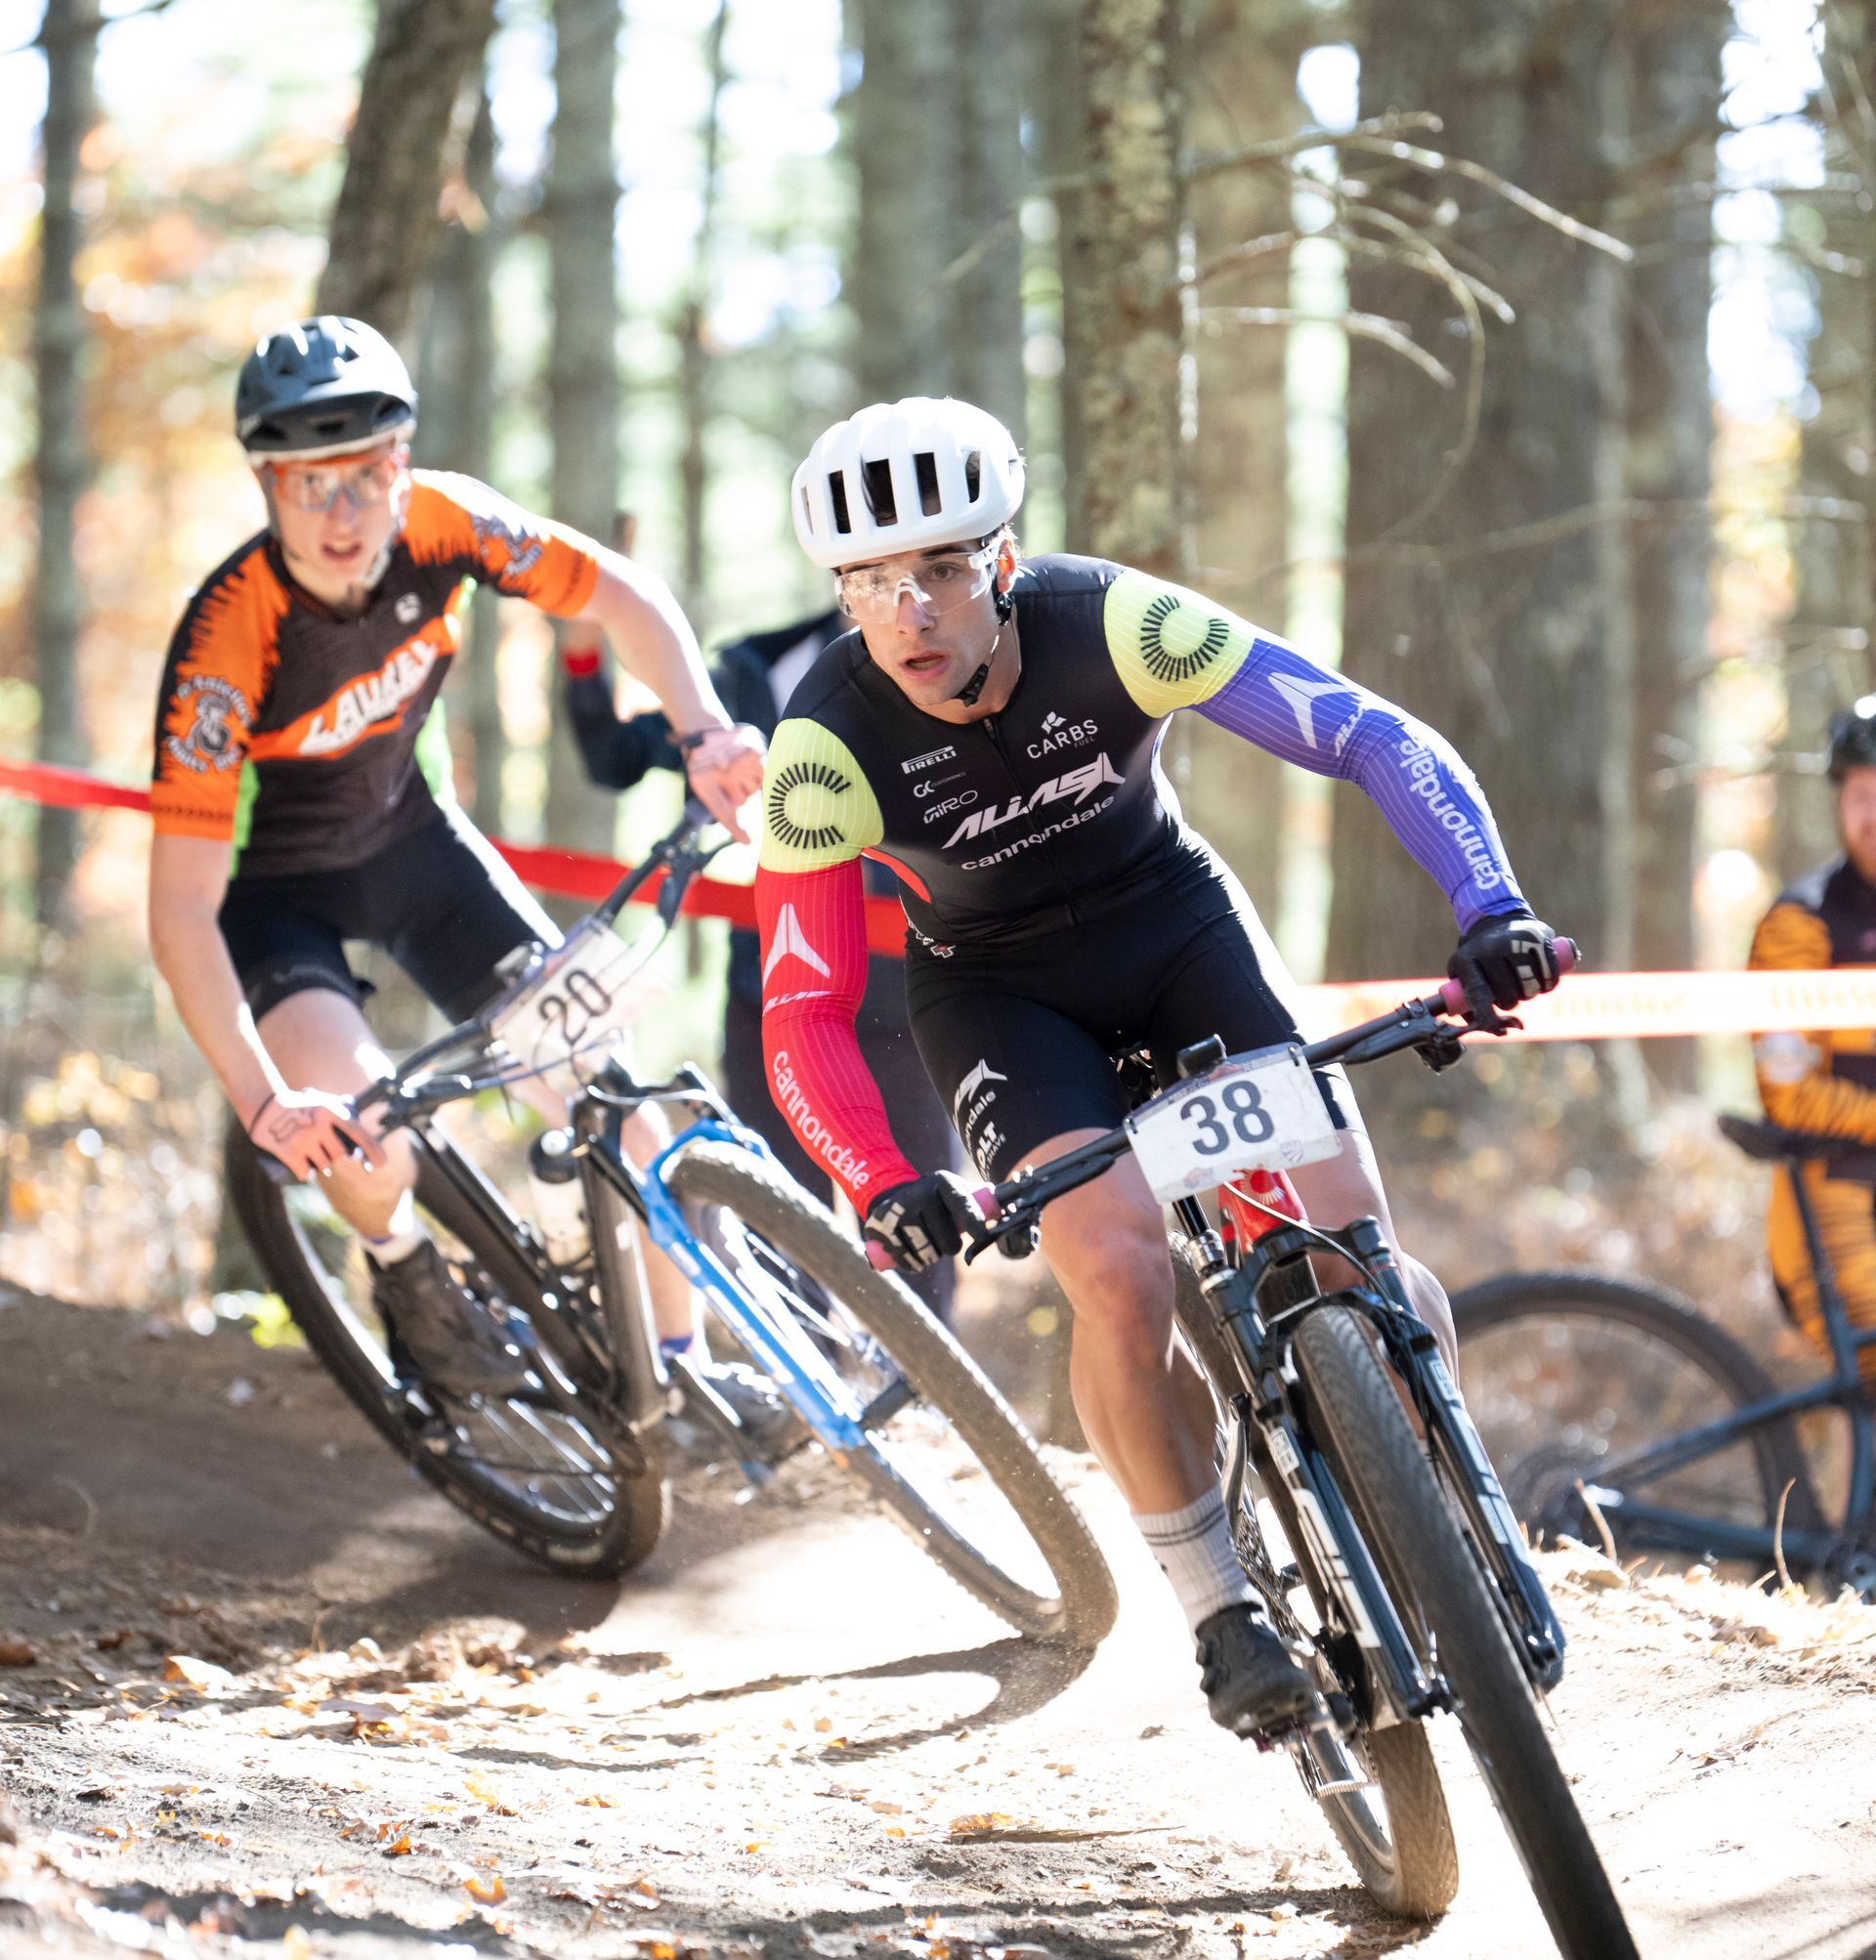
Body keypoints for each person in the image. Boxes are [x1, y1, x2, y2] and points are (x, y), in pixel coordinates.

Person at [750, 396, 1559, 1738]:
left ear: (1003, 562)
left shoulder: (1114, 622)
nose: (912, 614)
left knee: (1351, 1232)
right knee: (1119, 1270)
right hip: (999, 994)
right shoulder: (823, 747)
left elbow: (1364, 732)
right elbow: (804, 1009)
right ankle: (1218, 1613)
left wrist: (1491, 905)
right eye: (872, 586)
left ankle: (1440, 1500)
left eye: (942, 570)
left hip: (1173, 923)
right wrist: (883, 1175)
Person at [147, 316, 763, 1397]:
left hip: (417, 848)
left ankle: (689, 1371)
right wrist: (261, 1099)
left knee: (619, 1103)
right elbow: (181, 910)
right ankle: (403, 1267)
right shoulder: (226, 641)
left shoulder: (446, 519)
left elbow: (618, 592)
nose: (343, 513)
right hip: (270, 898)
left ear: (404, 462)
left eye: (369, 472)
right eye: (306, 483)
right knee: (366, 1142)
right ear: (264, 485)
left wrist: (704, 728)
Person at [562, 593, 963, 1314]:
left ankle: (935, 1405)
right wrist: (585, 648)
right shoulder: (758, 670)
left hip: (915, 988)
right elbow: (615, 758)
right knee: (781, 1210)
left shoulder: (969, 659)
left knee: (923, 1212)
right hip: (771, 987)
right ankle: (809, 1399)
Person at [1749, 701, 1876, 1354]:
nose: (1872, 814)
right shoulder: (1801, 923)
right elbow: (1789, 1093)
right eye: (1859, 794)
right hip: (1838, 1209)